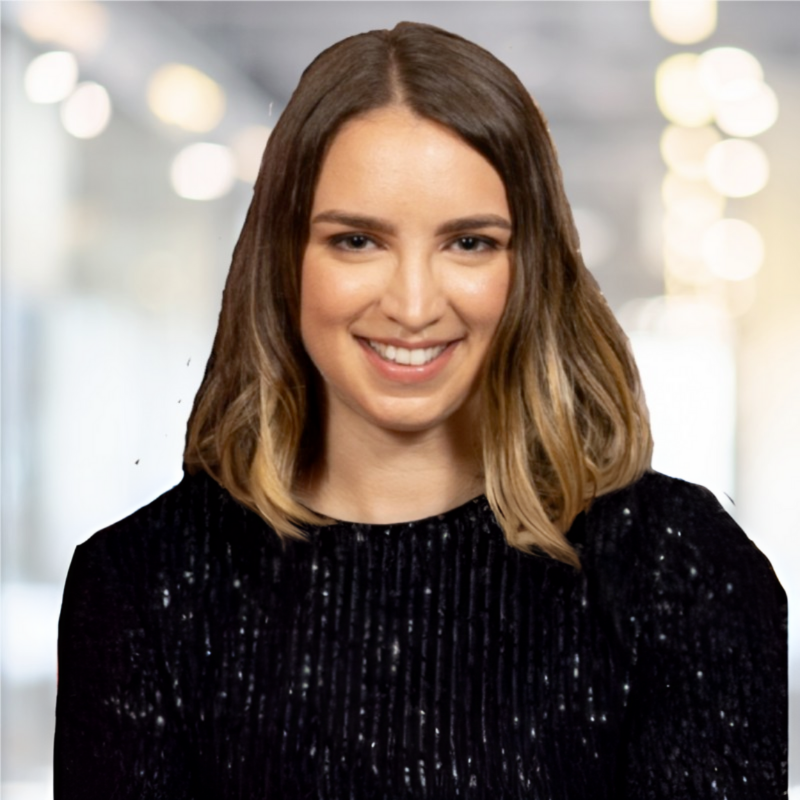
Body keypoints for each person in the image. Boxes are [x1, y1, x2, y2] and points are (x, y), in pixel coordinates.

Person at [54, 21, 787, 799]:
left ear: (529, 267)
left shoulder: (675, 567)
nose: (411, 304)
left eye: (468, 243)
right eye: (358, 241)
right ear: (284, 259)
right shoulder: (142, 583)